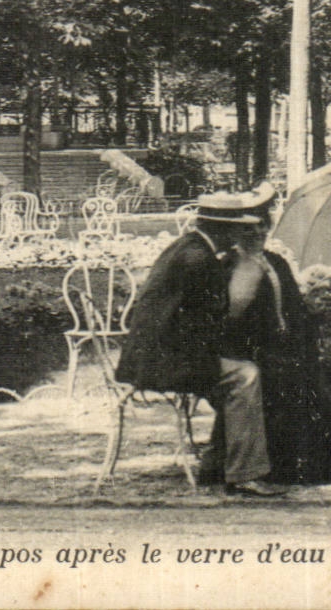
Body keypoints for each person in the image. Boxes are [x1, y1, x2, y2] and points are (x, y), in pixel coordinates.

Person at [116, 183, 290, 496]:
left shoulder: (186, 247)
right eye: (238, 229)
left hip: (151, 355)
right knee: (246, 375)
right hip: (164, 361)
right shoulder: (200, 261)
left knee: (238, 369)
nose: (241, 236)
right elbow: (217, 320)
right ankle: (244, 474)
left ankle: (218, 458)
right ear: (225, 231)